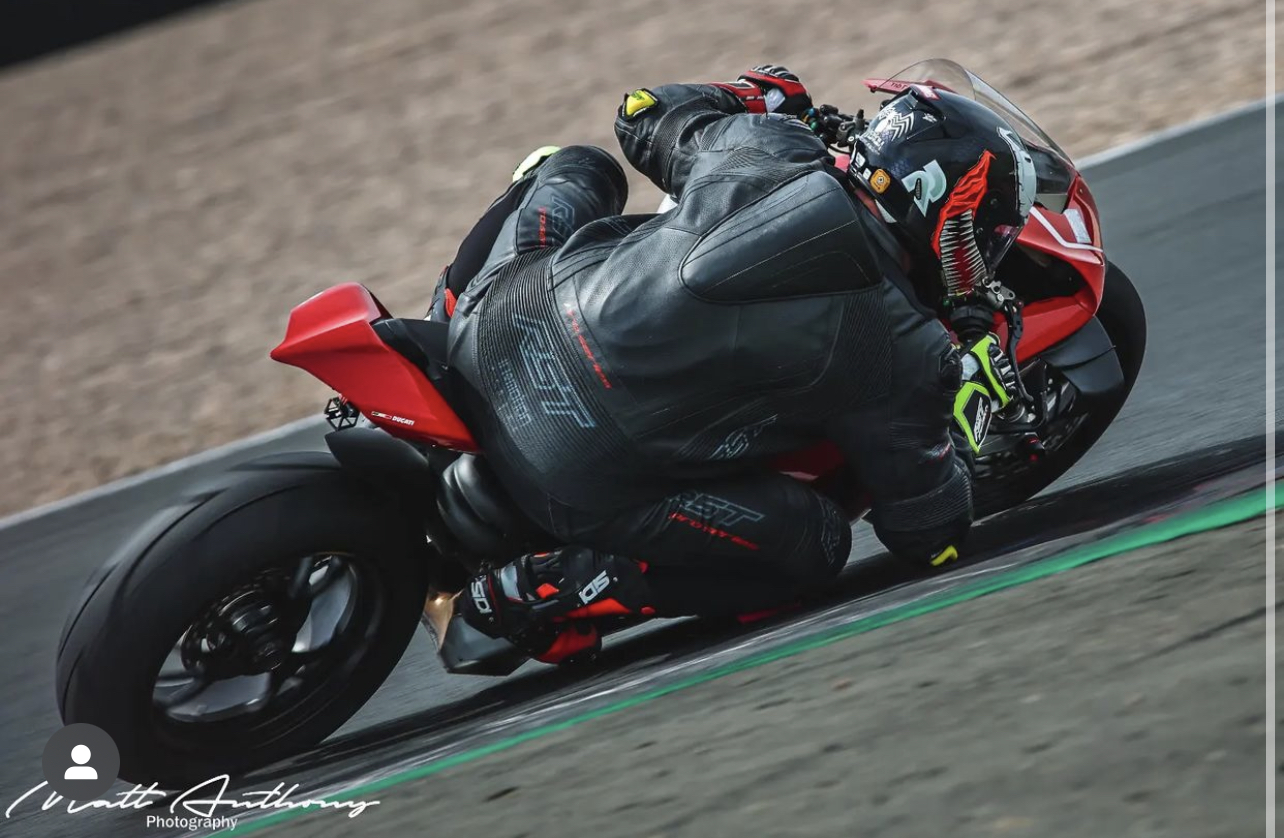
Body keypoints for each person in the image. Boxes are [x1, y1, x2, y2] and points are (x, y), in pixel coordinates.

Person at [430, 65, 1033, 663]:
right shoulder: (910, 350)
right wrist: (969, 401)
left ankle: (437, 324)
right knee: (817, 545)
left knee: (576, 166)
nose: (988, 248)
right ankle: (541, 589)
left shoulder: (768, 144)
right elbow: (930, 538)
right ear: (948, 212)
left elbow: (639, 113)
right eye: (990, 230)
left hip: (496, 325)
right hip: (570, 467)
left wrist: (754, 98)